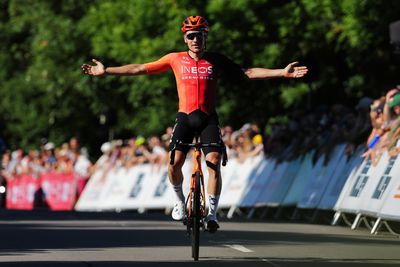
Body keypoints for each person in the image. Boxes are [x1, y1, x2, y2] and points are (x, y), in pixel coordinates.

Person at [81, 15, 308, 233]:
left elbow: (247, 72)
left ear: (205, 36)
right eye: (191, 36)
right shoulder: (175, 59)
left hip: (208, 118)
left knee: (214, 162)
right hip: (185, 118)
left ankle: (212, 214)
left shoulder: (216, 60)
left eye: (199, 35)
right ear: (185, 39)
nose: (195, 40)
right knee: (174, 163)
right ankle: (180, 202)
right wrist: (107, 70)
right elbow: (139, 68)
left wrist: (282, 73)